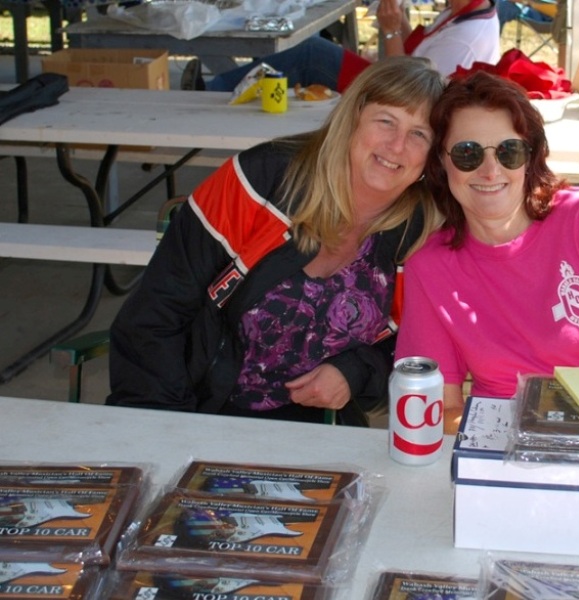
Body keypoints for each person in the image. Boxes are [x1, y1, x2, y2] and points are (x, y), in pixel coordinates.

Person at [107, 56, 445, 425]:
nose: (397, 145)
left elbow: (418, 351)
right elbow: (156, 312)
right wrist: (168, 427)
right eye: (386, 121)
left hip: (318, 427)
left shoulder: (422, 234)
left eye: (419, 134)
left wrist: (354, 371)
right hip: (196, 408)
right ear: (352, 119)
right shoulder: (261, 181)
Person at [394, 71, 579, 432]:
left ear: (530, 157)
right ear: (441, 164)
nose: (490, 170)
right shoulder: (429, 266)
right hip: (498, 446)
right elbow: (439, 411)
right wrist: (518, 437)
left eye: (509, 151)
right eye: (467, 154)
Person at [184, 0, 500, 93]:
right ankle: (229, 88)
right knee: (306, 53)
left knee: (309, 54)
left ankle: (214, 92)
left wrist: (390, 30)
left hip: (396, 93)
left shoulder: (465, 36)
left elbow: (408, 86)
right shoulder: (462, 11)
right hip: (395, 80)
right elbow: (416, 52)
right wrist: (398, 16)